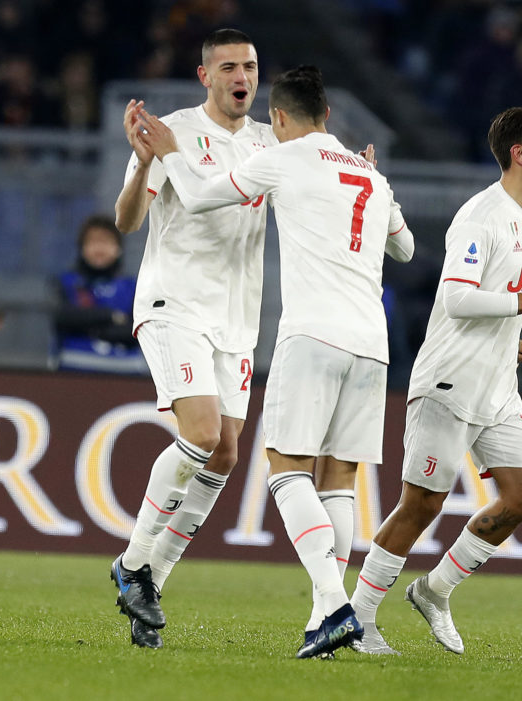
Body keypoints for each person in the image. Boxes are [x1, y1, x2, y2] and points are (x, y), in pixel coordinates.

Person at [135, 64, 415, 659]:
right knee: (339, 480)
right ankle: (324, 619)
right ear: (329, 116)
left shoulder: (284, 158)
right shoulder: (369, 172)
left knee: (287, 470)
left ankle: (333, 604)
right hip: (374, 344)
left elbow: (205, 197)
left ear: (279, 118)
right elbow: (407, 246)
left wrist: (169, 152)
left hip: (313, 334)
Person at [348, 106, 522, 656]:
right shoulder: (483, 215)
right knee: (421, 505)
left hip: (496, 386)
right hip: (449, 385)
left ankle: (435, 590)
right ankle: (356, 619)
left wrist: (509, 337)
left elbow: (485, 304)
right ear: (519, 154)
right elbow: (455, 296)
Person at [108, 28, 276, 651]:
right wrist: (147, 160)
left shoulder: (268, 142)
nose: (243, 76)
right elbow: (126, 221)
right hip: (173, 303)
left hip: (238, 318)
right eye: (230, 66)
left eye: (251, 67)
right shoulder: (170, 130)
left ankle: (150, 582)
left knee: (226, 453)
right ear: (205, 75)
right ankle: (131, 565)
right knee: (203, 435)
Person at [52, 214, 142, 374]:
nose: (99, 248)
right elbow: (62, 316)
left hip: (127, 376)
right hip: (74, 374)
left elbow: (138, 331)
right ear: (81, 248)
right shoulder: (65, 282)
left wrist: (91, 327)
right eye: (93, 242)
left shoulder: (133, 286)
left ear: (119, 248)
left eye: (106, 242)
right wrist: (111, 316)